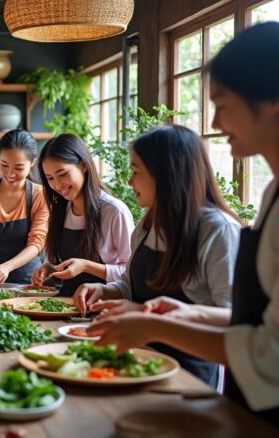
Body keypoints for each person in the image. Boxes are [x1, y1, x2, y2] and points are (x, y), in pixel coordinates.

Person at [86, 22, 279, 425]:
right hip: (235, 399)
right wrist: (181, 314)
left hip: (220, 389)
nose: (216, 121)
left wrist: (157, 324)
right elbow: (250, 319)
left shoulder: (217, 229)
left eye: (223, 104)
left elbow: (268, 348)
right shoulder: (271, 194)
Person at [74, 125, 241, 387]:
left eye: (136, 171)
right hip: (134, 363)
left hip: (188, 378)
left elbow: (232, 318)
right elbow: (129, 285)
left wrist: (146, 316)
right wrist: (102, 290)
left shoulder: (217, 230)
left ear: (166, 174)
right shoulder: (147, 223)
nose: (130, 181)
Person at [31, 134, 134, 296]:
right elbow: (54, 260)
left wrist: (87, 266)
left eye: (63, 174)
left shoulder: (114, 211)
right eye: (50, 178)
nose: (57, 185)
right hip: (65, 304)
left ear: (83, 166)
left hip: (101, 306)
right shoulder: (60, 210)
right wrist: (49, 269)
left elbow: (131, 273)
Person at [0, 129, 49, 285]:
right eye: (4, 165)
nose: (10, 173)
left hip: (30, 283)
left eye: (19, 168)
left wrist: (7, 267)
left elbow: (36, 243)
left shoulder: (40, 195)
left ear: (32, 162)